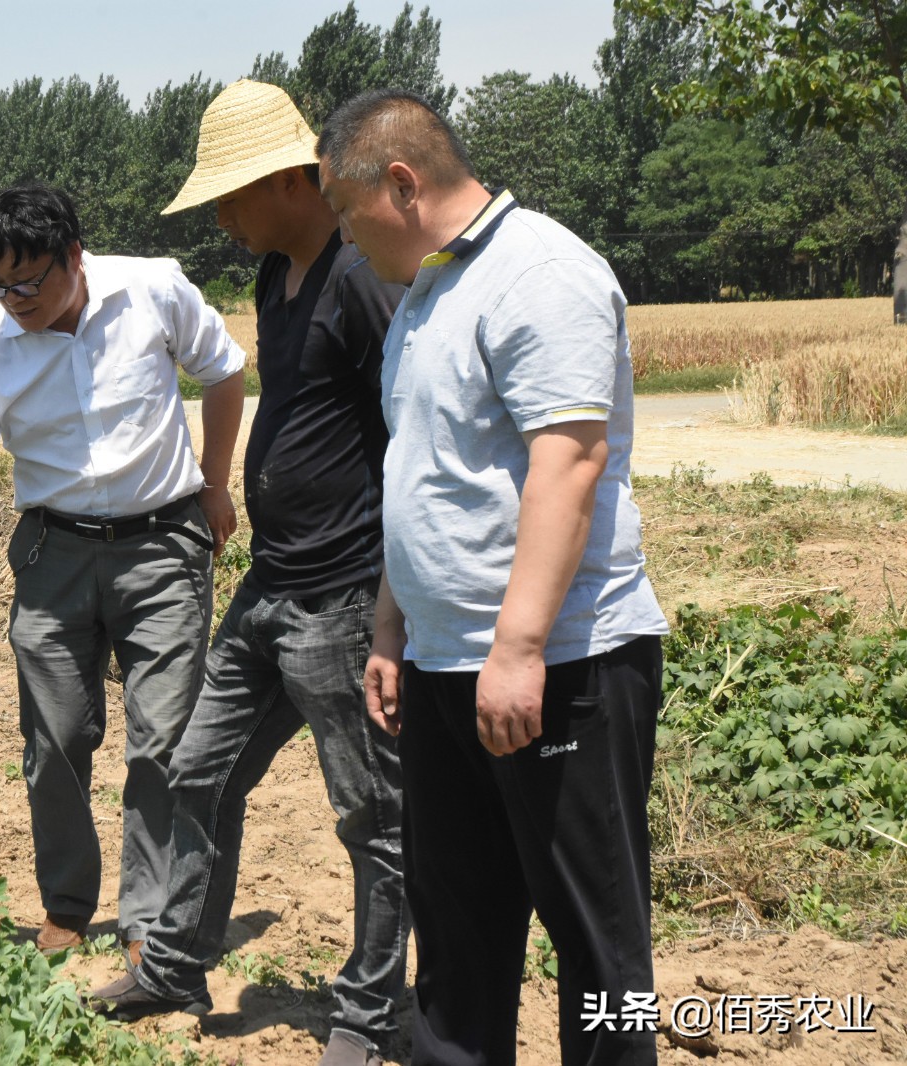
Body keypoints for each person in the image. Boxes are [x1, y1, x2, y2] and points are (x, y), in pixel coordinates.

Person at [317, 89, 670, 1065]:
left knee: (596, 945)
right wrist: (393, 628)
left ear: (401, 184)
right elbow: (423, 476)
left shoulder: (540, 274)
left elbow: (570, 461)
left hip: (560, 664)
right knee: (457, 933)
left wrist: (517, 649)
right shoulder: (428, 295)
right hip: (445, 666)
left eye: (345, 210)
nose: (344, 237)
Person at [84, 80, 409, 1066]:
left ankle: (368, 1013)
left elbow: (410, 430)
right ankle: (175, 963)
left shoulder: (361, 277)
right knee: (197, 769)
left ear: (285, 181)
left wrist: (393, 600)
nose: (221, 221)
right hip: (271, 585)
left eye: (229, 199)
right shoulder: (277, 276)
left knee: (371, 815)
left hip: (342, 593)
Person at [0, 183, 246, 957]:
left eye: (27, 282)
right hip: (53, 555)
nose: (13, 301)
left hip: (163, 549)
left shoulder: (152, 290)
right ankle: (68, 905)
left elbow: (225, 369)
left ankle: (148, 921)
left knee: (162, 741)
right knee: (55, 738)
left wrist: (214, 483)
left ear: (74, 255)